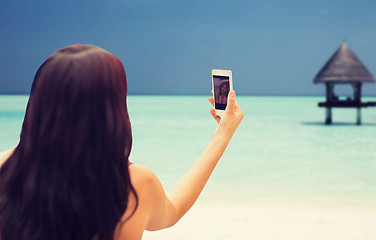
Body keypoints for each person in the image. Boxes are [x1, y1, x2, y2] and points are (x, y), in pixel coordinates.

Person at [0, 44, 244, 240]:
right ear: (111, 111)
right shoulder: (133, 185)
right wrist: (222, 135)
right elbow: (173, 211)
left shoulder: (4, 169)